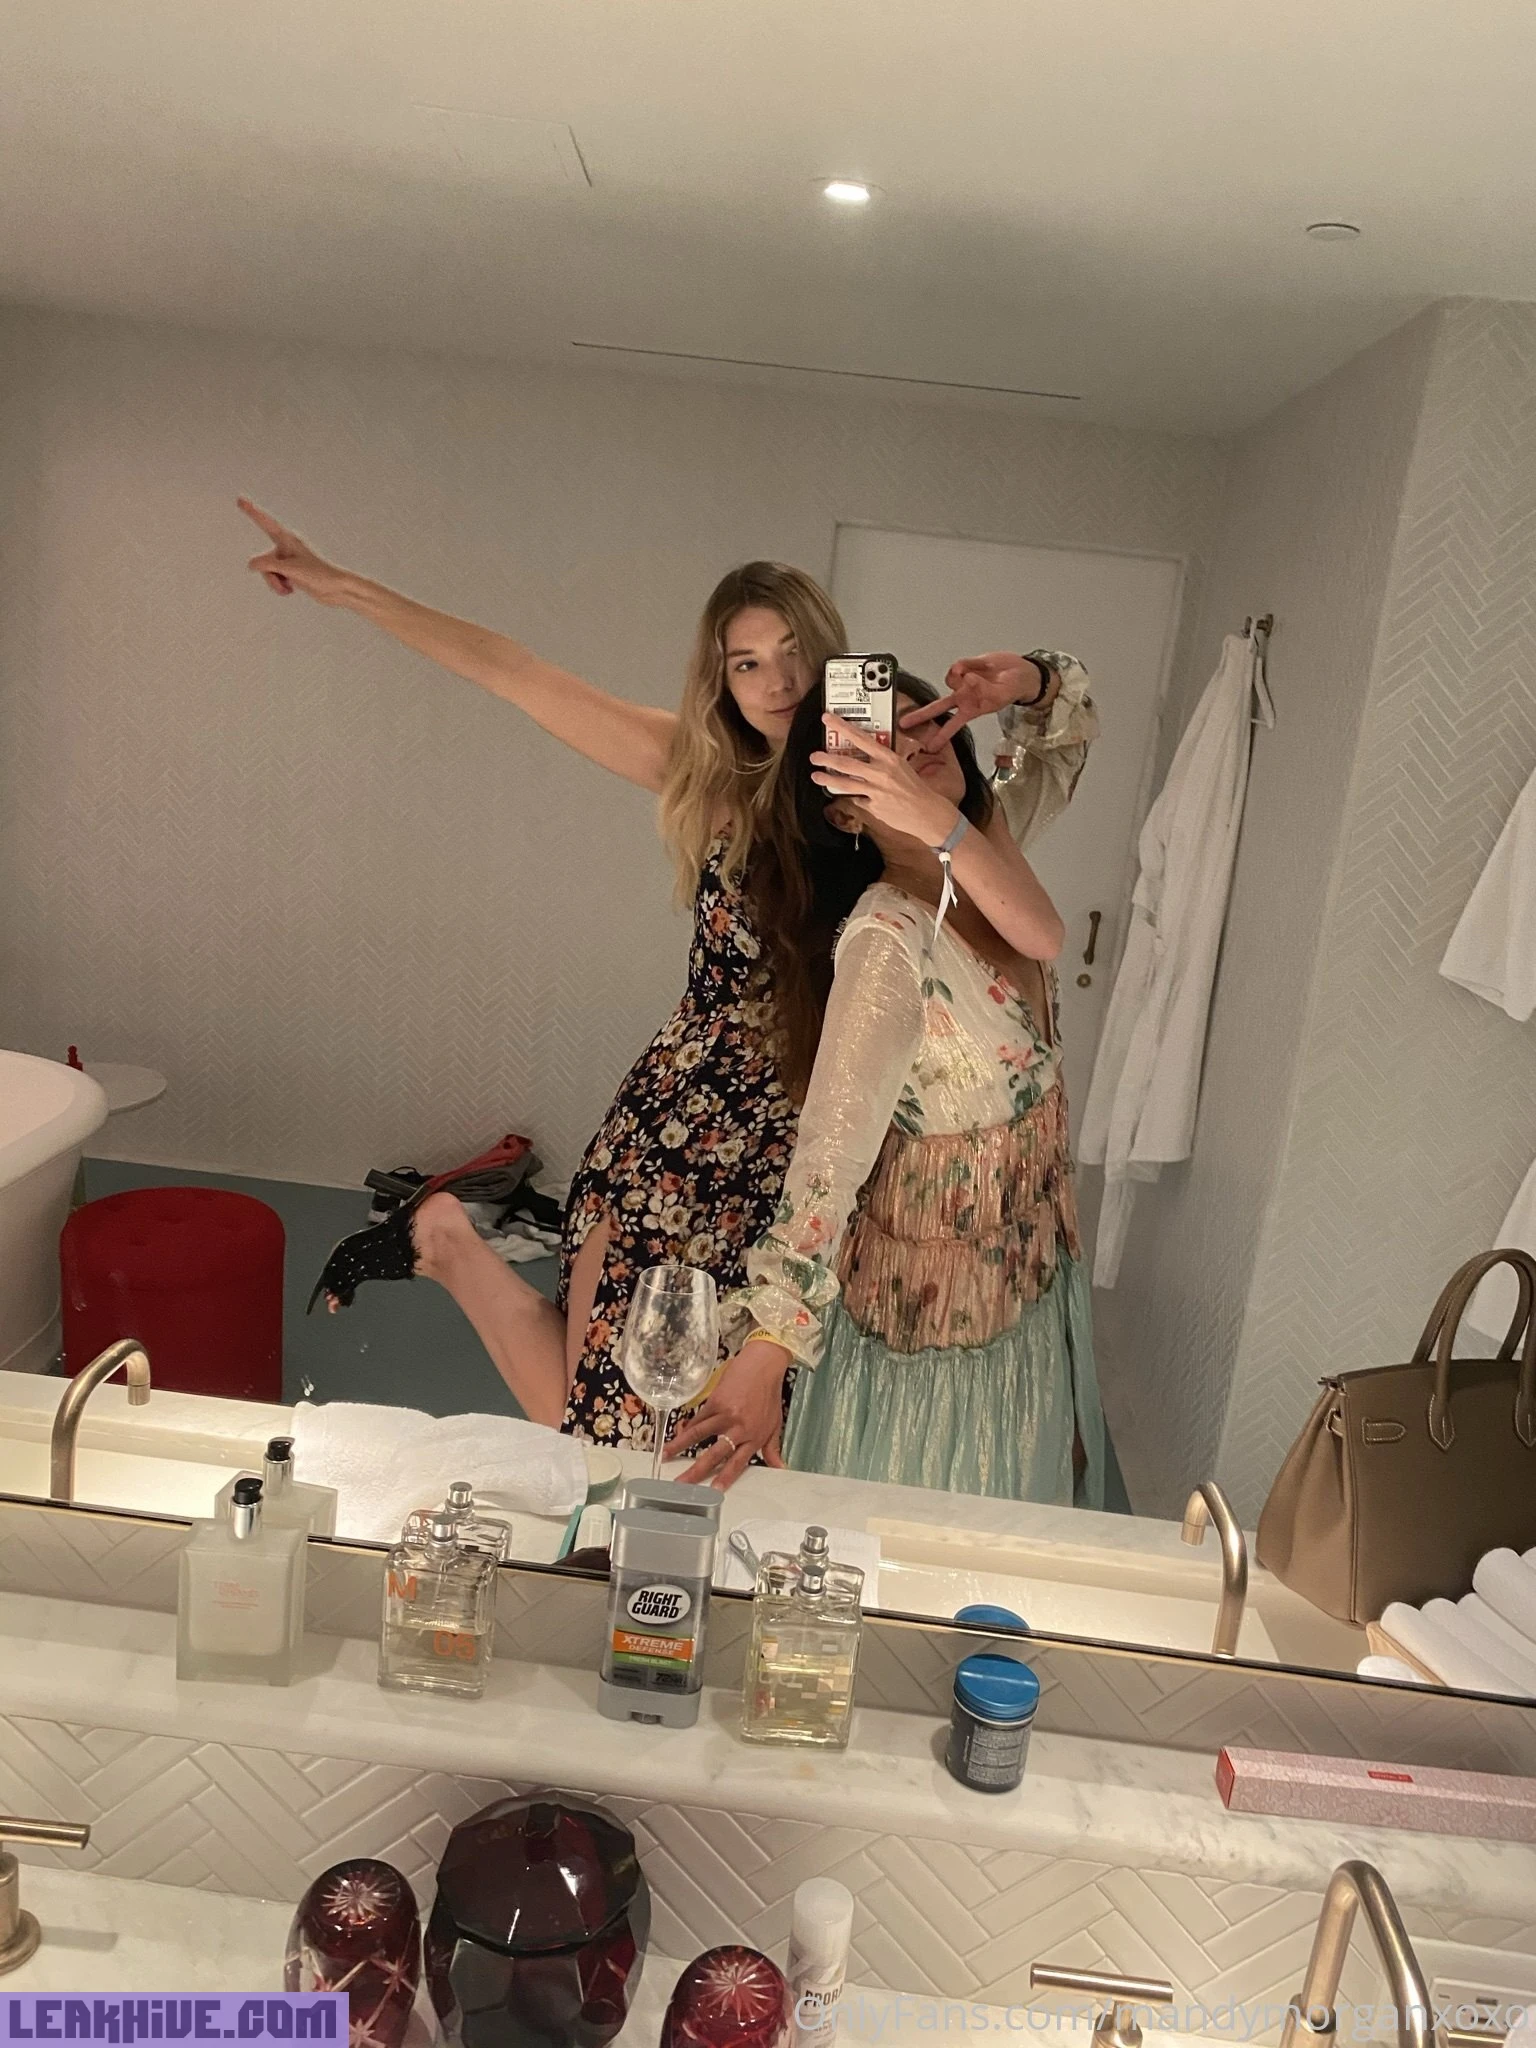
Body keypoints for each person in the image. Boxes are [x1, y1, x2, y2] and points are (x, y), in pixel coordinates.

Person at [239, 500, 1095, 1464]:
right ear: (721, 683)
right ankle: (450, 1244)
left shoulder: (925, 793)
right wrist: (345, 587)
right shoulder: (715, 781)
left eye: (794, 654)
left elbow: (1052, 775)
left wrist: (1029, 679)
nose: (777, 683)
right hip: (689, 1132)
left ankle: (447, 1243)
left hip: (826, 1155)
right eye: (746, 663)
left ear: (837, 663)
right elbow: (518, 672)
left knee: (724, 1433)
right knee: (620, 1418)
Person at [668, 674, 1106, 1506]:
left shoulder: (987, 858)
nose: (915, 745)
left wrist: (1030, 679)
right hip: (929, 1350)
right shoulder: (887, 939)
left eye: (926, 722)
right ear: (844, 810)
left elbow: (1063, 739)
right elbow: (829, 1157)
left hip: (1030, 1293)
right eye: (879, 743)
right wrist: (771, 1340)